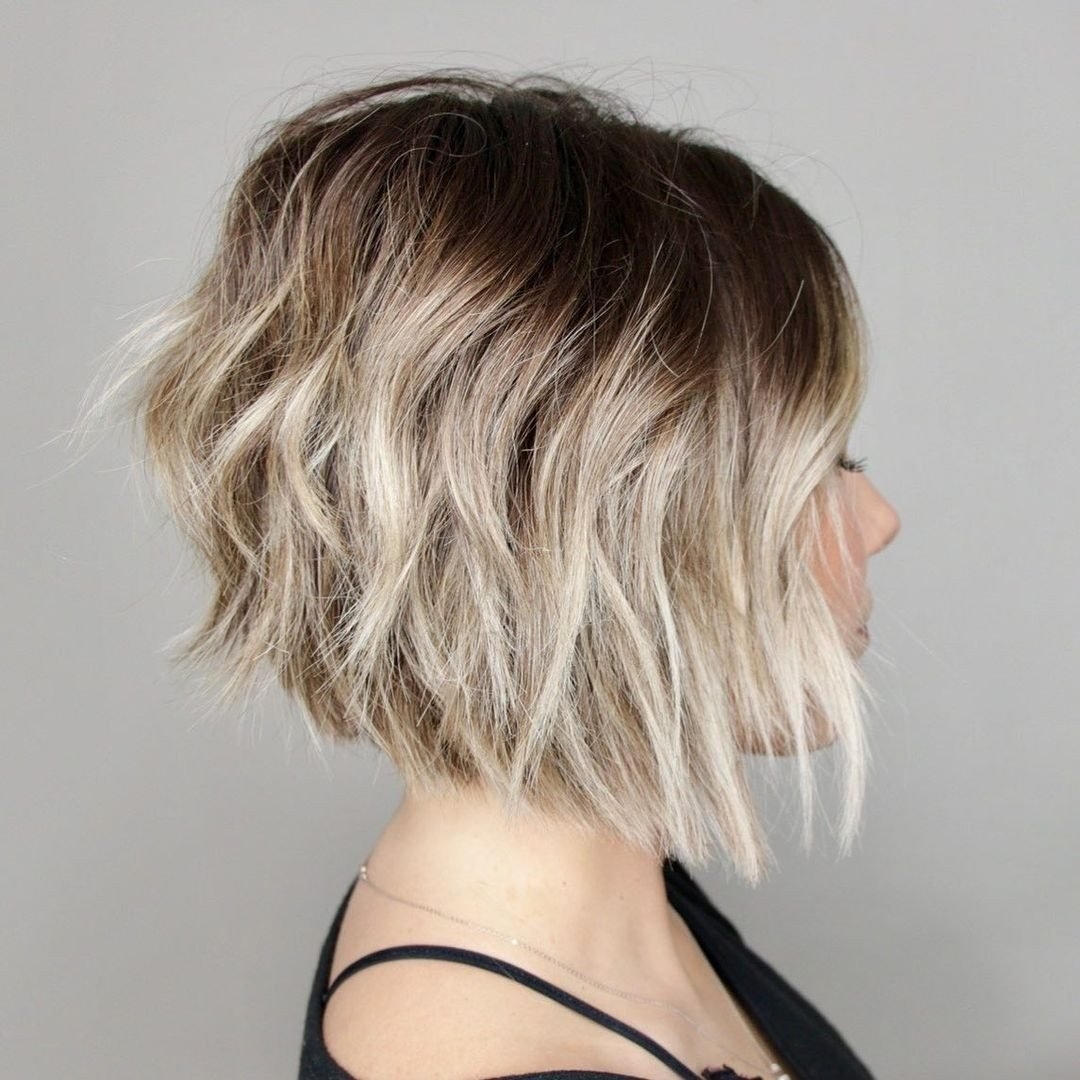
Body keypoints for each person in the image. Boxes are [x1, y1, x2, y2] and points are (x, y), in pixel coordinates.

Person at [102, 69, 900, 1080]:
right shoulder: (510, 1032)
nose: (880, 520)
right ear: (615, 534)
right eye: (824, 465)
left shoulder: (585, 911)